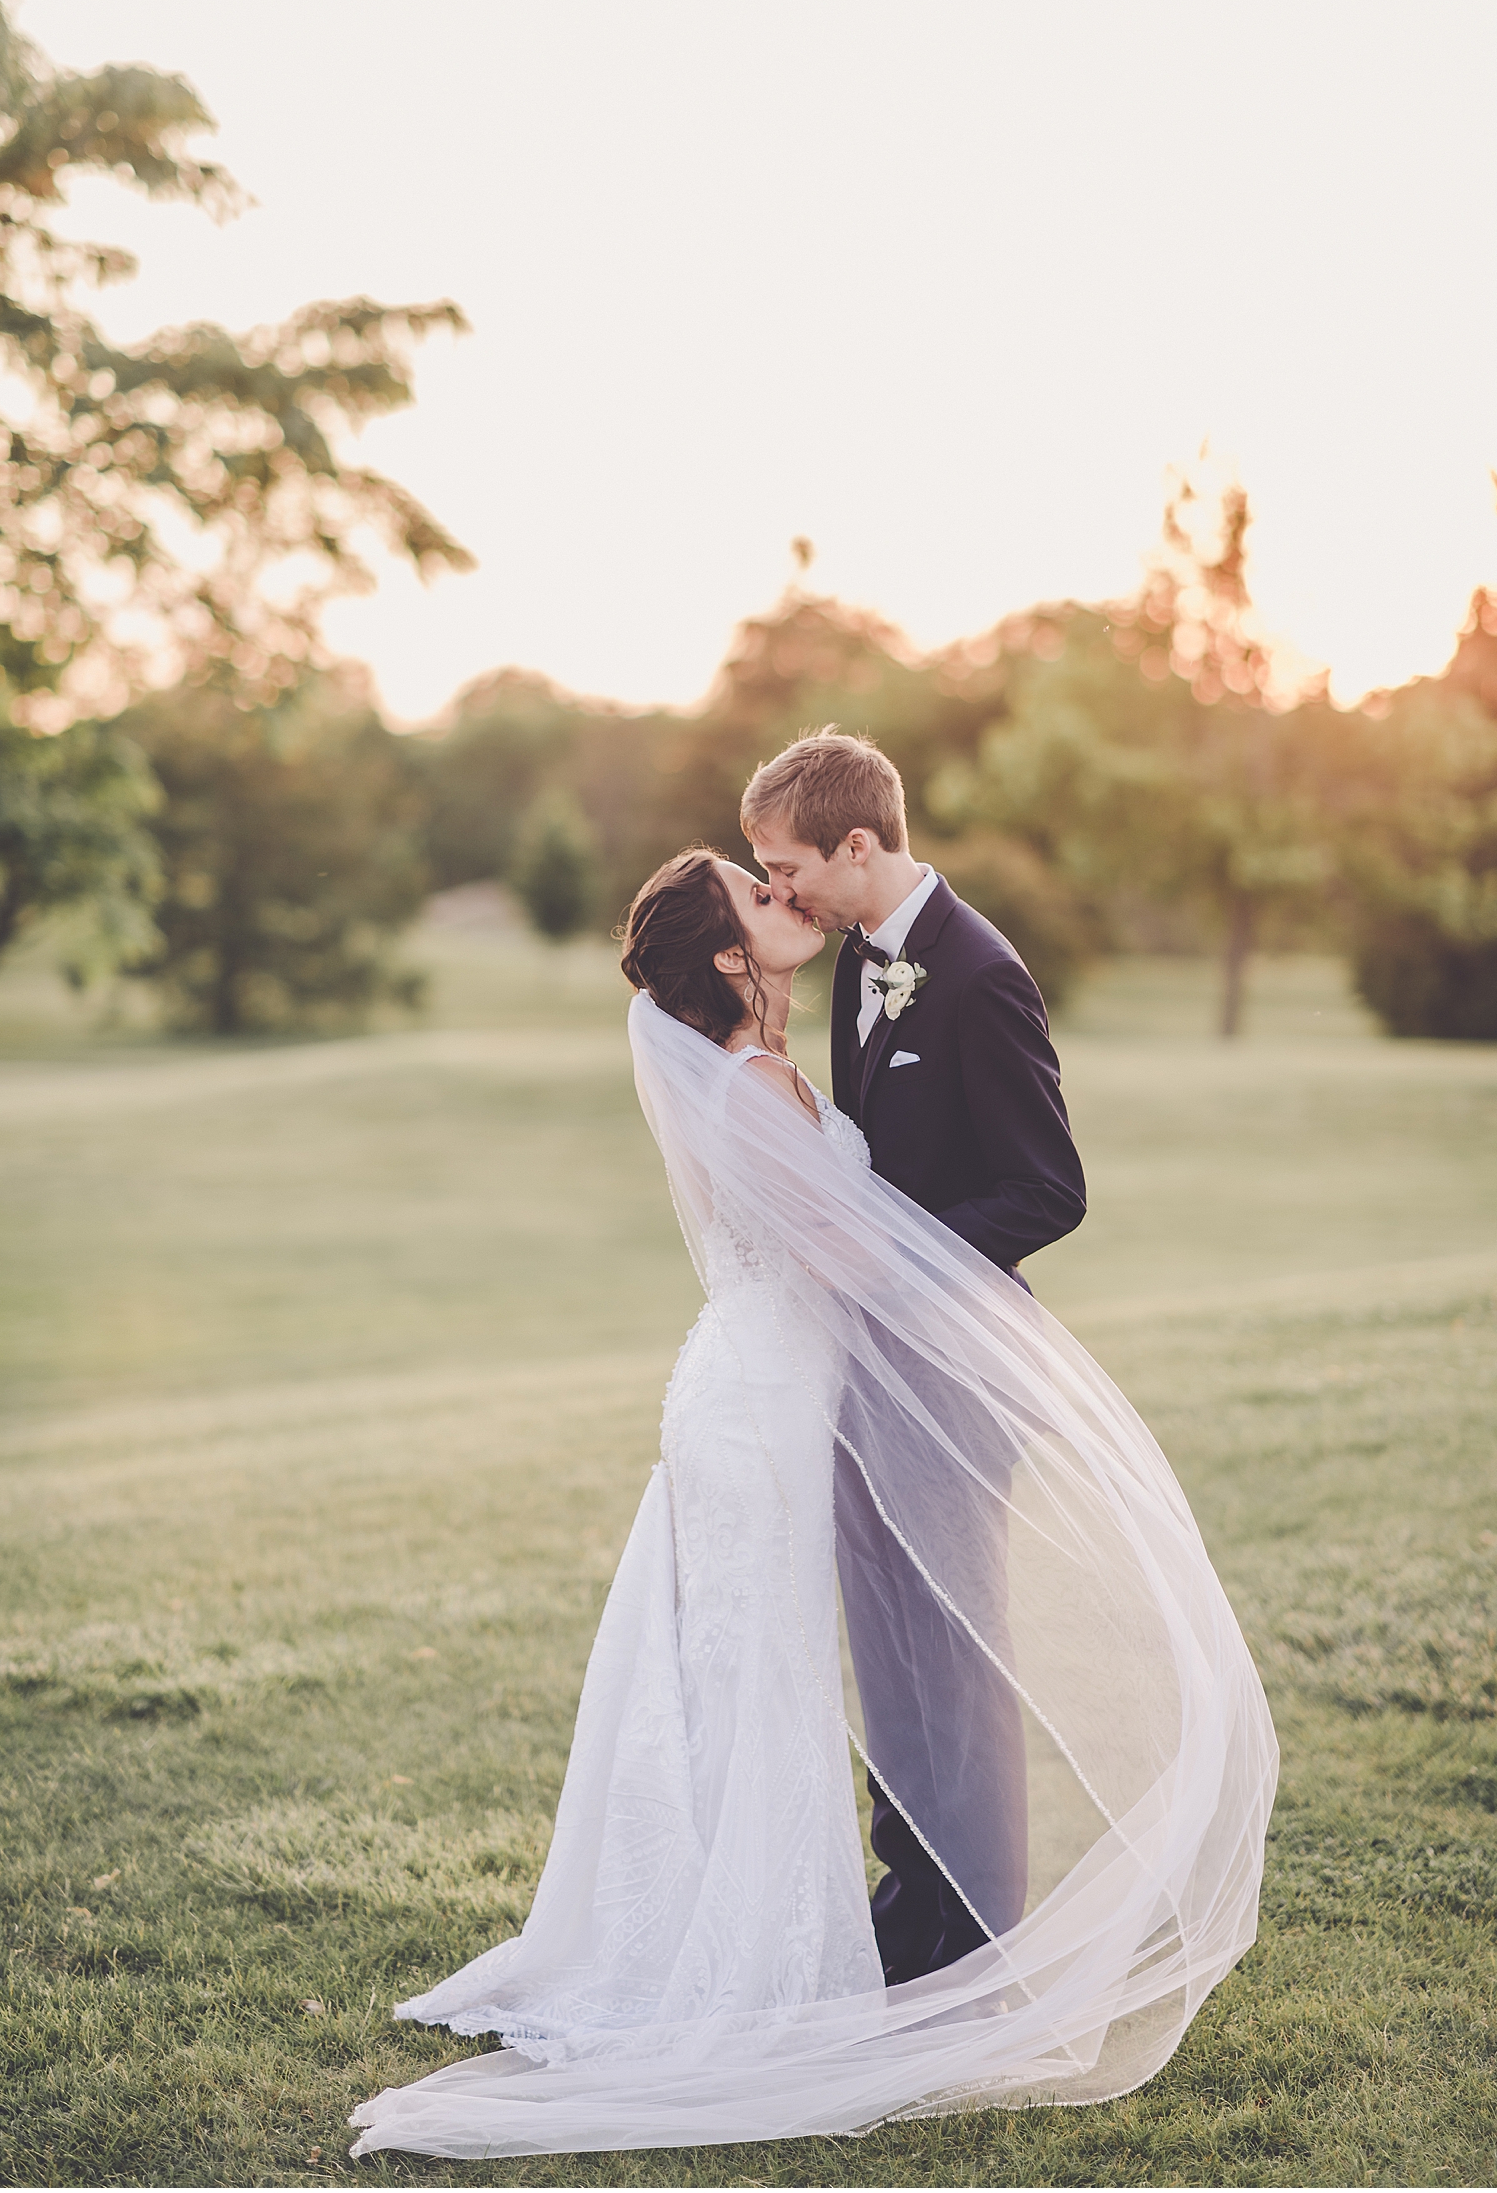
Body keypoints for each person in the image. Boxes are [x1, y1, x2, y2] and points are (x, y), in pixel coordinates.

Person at [350, 842, 1277, 2165]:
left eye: (779, 879)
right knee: (753, 1679)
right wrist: (994, 1333)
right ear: (731, 958)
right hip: (764, 1410)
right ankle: (733, 1956)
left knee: (748, 1674)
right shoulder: (747, 1090)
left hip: (766, 1393)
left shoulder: (774, 1059)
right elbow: (850, 1256)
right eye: (757, 894)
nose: (784, 901)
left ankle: (721, 1933)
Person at [742, 729, 1083, 1984]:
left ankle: (983, 1922)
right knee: (888, 1639)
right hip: (871, 1360)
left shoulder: (980, 973)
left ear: (858, 844)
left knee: (959, 1642)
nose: (777, 893)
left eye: (785, 869)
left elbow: (1047, 1190)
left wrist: (890, 1260)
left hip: (956, 1365)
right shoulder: (858, 965)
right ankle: (914, 1884)